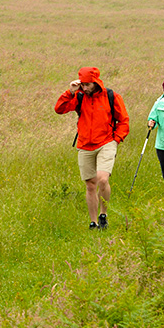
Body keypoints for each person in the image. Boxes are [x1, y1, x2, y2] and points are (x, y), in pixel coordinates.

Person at [55, 67, 129, 229]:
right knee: (90, 185)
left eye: (88, 85)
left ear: (95, 82)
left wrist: (116, 140)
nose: (85, 88)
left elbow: (123, 120)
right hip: (84, 145)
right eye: (83, 85)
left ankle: (104, 214)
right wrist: (70, 92)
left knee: (103, 179)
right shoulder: (79, 97)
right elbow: (59, 109)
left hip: (106, 142)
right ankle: (94, 222)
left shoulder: (111, 96)